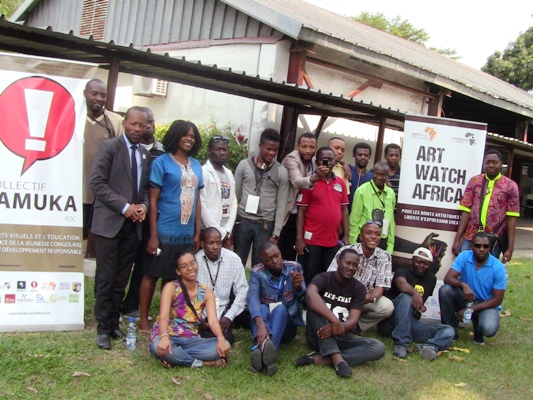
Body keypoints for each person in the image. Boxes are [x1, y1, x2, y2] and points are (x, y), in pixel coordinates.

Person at [90, 106, 150, 349]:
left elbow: (144, 188)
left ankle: (114, 322)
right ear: (124, 123)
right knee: (105, 278)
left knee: (120, 279)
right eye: (133, 124)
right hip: (109, 224)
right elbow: (96, 182)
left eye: (142, 125)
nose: (137, 129)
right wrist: (125, 206)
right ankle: (103, 328)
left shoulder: (145, 154)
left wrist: (143, 206)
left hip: (132, 227)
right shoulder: (110, 147)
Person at [139, 120, 203, 332]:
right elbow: (153, 200)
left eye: (193, 136)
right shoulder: (162, 163)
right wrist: (153, 235)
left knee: (173, 277)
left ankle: (166, 319)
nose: (189, 139)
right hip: (164, 230)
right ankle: (143, 321)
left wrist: (197, 231)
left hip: (186, 234)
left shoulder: (196, 165)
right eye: (185, 135)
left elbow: (197, 199)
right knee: (152, 273)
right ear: (175, 136)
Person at [296, 248, 385, 378]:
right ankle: (338, 361)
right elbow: (310, 295)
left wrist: (338, 327)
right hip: (318, 334)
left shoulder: (359, 288)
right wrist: (334, 321)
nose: (351, 267)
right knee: (316, 308)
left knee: (378, 347)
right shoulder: (324, 278)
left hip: (342, 335)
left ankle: (324, 359)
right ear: (338, 262)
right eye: (347, 263)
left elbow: (353, 319)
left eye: (355, 265)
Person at [149, 247, 230, 368]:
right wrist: (164, 337)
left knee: (224, 345)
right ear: (178, 271)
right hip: (168, 334)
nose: (190, 268)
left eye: (193, 263)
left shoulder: (206, 292)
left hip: (191, 338)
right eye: (184, 266)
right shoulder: (171, 287)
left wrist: (221, 338)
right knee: (159, 347)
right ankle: (202, 364)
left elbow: (212, 320)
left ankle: (176, 358)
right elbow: (164, 316)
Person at [121, 107, 164, 320]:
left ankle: (131, 305)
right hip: (127, 214)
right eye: (141, 123)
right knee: (122, 262)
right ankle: (113, 304)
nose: (146, 126)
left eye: (150, 122)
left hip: (150, 217)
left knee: (143, 263)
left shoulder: (163, 152)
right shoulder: (126, 147)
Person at [378, 247, 455, 360]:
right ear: (412, 260)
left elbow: (421, 304)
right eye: (418, 261)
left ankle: (429, 346)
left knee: (449, 330)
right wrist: (415, 293)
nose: (421, 265)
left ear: (430, 265)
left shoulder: (431, 279)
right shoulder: (402, 271)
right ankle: (401, 344)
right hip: (390, 322)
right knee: (406, 296)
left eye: (425, 263)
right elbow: (402, 285)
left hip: (411, 323)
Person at [247, 242, 306, 376]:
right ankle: (268, 357)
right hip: (265, 323)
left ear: (281, 253)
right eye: (268, 259)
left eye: (277, 256)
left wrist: (298, 287)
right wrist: (260, 324)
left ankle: (262, 352)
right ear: (262, 261)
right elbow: (252, 297)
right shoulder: (257, 272)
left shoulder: (294, 267)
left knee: (280, 309)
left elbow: (303, 295)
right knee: (261, 307)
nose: (274, 261)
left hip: (287, 327)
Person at [234, 128, 289, 267]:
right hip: (243, 222)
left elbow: (281, 204)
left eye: (275, 150)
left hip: (265, 226)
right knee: (237, 263)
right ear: (260, 146)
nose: (271, 153)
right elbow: (235, 196)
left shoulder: (281, 172)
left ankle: (255, 289)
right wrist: (231, 224)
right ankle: (235, 289)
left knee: (260, 267)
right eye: (268, 148)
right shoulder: (244, 165)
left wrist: (276, 234)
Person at [452, 149, 520, 262]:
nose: (491, 165)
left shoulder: (510, 186)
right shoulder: (475, 181)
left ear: (501, 164)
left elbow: (511, 219)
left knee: (487, 273)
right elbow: (466, 211)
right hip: (471, 236)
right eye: (488, 162)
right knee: (464, 268)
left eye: (495, 162)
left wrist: (510, 248)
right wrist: (457, 238)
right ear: (484, 164)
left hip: (494, 240)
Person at [439, 232, 507, 345]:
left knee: (489, 329)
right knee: (445, 290)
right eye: (477, 245)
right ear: (471, 246)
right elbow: (448, 278)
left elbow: (497, 300)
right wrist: (463, 285)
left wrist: (471, 309)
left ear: (489, 248)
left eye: (485, 246)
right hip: (467, 298)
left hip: (486, 304)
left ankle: (478, 327)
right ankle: (450, 331)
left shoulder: (498, 267)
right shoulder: (464, 256)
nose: (481, 249)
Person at [295, 146, 349, 285]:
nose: (327, 162)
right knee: (311, 274)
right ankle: (308, 304)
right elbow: (301, 212)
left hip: (332, 240)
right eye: (324, 159)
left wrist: (346, 236)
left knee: (330, 274)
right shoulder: (310, 182)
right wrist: (299, 239)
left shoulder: (341, 183)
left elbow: (344, 210)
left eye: (330, 159)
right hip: (312, 240)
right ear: (317, 162)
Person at [328, 221, 394, 333]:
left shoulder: (384, 256)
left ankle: (356, 327)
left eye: (377, 234)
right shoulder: (347, 251)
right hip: (341, 295)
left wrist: (368, 297)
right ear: (361, 236)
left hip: (365, 298)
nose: (373, 237)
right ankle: (340, 321)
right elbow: (331, 277)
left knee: (387, 307)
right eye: (369, 233)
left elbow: (380, 286)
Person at [82, 79, 123, 245]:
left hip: (101, 194)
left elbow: (121, 157)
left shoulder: (116, 121)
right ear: (85, 94)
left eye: (103, 95)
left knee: (96, 240)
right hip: (74, 192)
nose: (99, 98)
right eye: (94, 94)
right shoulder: (73, 117)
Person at [196, 228, 249, 345]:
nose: (215, 247)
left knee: (227, 338)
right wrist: (196, 317)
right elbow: (186, 293)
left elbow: (242, 290)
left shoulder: (233, 259)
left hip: (223, 314)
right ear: (202, 244)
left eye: (218, 242)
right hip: (201, 314)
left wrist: (229, 317)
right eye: (211, 243)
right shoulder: (195, 260)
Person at [279, 132, 318, 261]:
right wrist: (315, 178)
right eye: (304, 146)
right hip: (287, 215)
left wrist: (344, 165)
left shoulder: (313, 161)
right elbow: (297, 181)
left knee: (295, 256)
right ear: (297, 146)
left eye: (311, 147)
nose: (308, 150)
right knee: (281, 255)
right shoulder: (291, 159)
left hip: (303, 216)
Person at [349, 160, 396, 252]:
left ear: (388, 176)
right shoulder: (362, 191)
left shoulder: (390, 193)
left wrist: (390, 246)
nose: (379, 177)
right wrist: (353, 243)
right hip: (364, 239)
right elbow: (354, 219)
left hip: (382, 239)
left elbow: (391, 221)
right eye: (377, 174)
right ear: (372, 173)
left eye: (383, 175)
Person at [200, 135, 237, 249]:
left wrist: (227, 230)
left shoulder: (229, 173)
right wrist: (218, 230)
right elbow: (202, 203)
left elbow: (234, 202)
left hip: (226, 230)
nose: (222, 153)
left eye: (224, 149)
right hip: (208, 229)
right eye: (217, 149)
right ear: (209, 151)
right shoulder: (203, 172)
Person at [348, 142, 373, 211]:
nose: (363, 157)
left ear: (369, 157)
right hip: (345, 213)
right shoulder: (347, 171)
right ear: (354, 155)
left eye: (366, 155)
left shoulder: (372, 177)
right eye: (360, 155)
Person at [384, 143, 402, 207]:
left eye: (396, 155)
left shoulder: (404, 175)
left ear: (400, 157)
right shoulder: (377, 174)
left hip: (397, 214)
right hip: (379, 213)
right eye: (391, 155)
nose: (394, 158)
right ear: (385, 156)